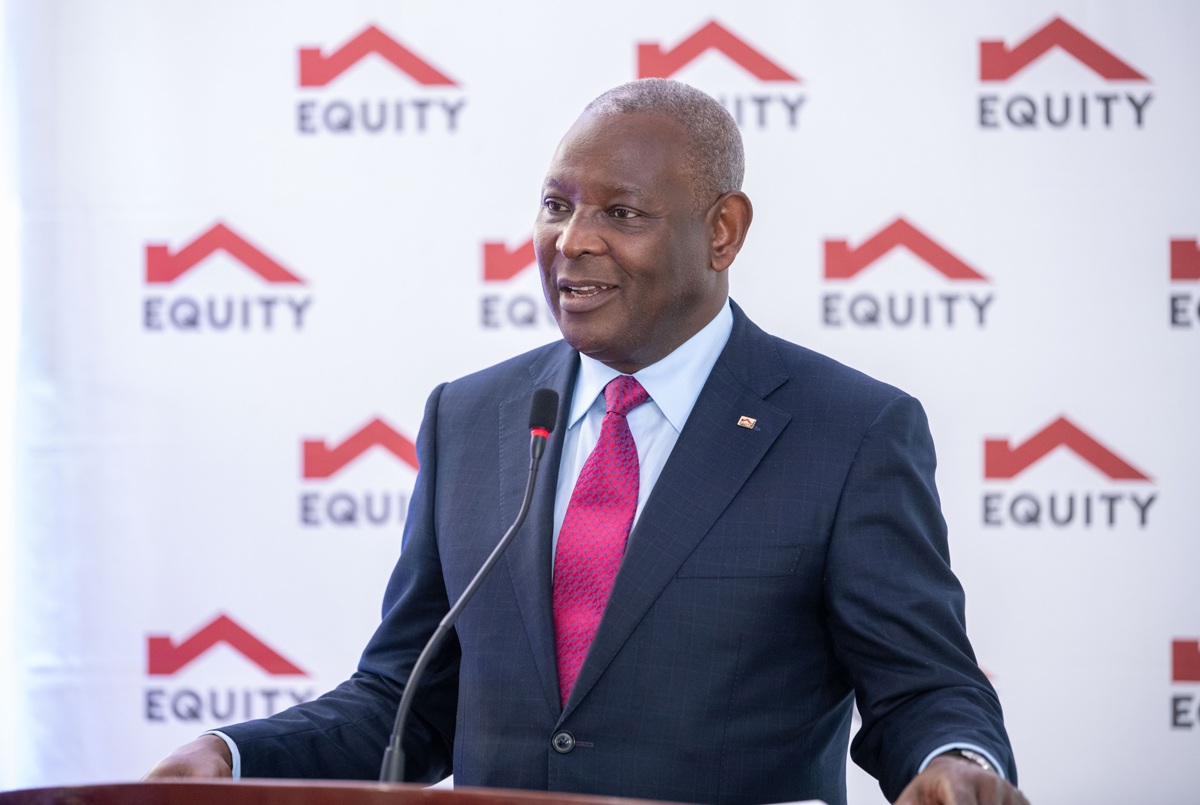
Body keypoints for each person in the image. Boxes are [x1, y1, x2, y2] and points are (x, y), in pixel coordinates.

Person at [147, 79, 1029, 805]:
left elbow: (921, 685)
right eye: (556, 205)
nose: (572, 242)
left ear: (722, 231)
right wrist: (232, 754)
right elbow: (407, 700)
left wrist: (957, 762)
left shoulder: (850, 430)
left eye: (622, 212)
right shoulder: (471, 417)